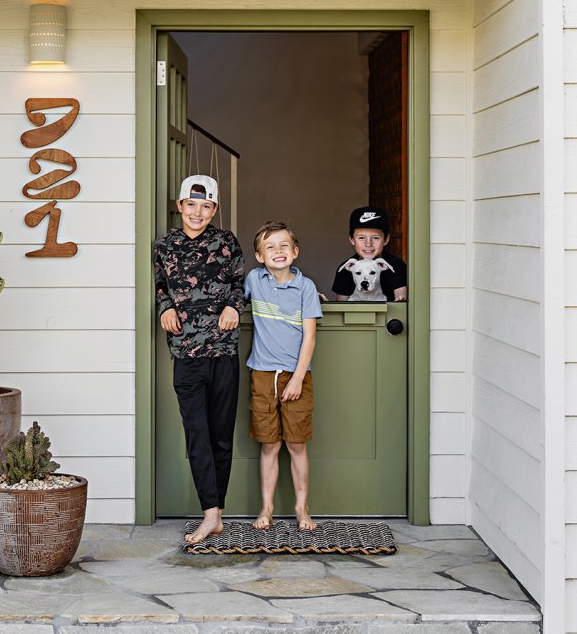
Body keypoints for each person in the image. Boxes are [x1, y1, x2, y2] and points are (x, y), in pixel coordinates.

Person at [153, 174, 245, 544]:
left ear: (214, 210)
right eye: (191, 205)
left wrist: (233, 307)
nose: (197, 212)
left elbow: (241, 284)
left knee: (221, 436)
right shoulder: (165, 245)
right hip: (186, 353)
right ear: (179, 206)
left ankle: (216, 513)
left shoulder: (226, 243)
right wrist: (164, 308)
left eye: (205, 206)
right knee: (197, 436)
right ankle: (210, 511)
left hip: (223, 351)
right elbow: (161, 285)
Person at [246, 221, 322, 532]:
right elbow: (232, 299)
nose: (278, 251)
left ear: (295, 252)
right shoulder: (254, 280)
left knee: (296, 444)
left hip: (296, 376)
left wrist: (297, 378)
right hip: (262, 375)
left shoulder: (305, 288)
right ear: (259, 256)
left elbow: (310, 338)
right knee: (269, 445)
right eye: (270, 247)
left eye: (283, 246)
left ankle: (302, 508)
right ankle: (267, 508)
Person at [332, 207, 407, 302]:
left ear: (386, 239)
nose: (368, 244)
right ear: (352, 239)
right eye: (361, 238)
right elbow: (341, 308)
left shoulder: (396, 266)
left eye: (375, 238)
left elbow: (401, 305)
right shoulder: (346, 268)